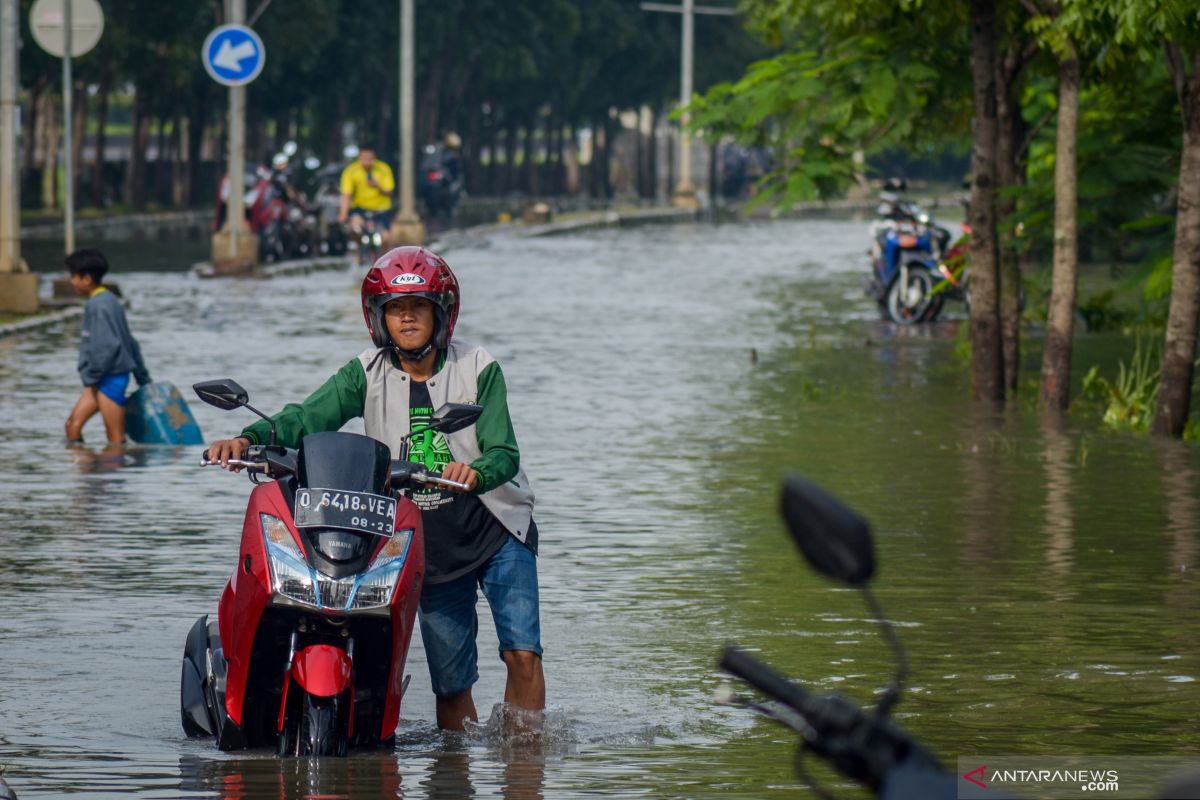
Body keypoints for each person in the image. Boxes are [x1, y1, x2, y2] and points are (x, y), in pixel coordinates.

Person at [206, 246, 545, 732]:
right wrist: (250, 439)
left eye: (418, 308)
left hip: (497, 530)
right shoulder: (364, 372)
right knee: (450, 684)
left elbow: (504, 451)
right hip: (427, 543)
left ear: (441, 313)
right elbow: (307, 416)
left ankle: (526, 769)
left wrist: (477, 471)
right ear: (379, 318)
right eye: (395, 309)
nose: (407, 318)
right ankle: (457, 777)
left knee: (522, 654)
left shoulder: (479, 366)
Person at [64, 248, 152, 444]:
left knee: (115, 438)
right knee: (72, 425)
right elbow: (130, 341)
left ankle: (110, 473)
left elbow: (109, 346)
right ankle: (87, 472)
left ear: (86, 279)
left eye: (73, 276)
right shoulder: (108, 300)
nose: (71, 281)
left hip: (110, 378)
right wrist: (142, 376)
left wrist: (91, 374)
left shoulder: (100, 304)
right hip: (100, 378)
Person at [337, 144, 395, 234]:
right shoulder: (351, 171)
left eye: (370, 158)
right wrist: (343, 214)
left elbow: (390, 192)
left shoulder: (383, 169)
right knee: (354, 229)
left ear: (374, 158)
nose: (367, 161)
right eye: (364, 158)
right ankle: (359, 247)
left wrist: (378, 186)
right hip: (360, 209)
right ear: (359, 158)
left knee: (386, 237)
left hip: (381, 209)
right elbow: (346, 194)